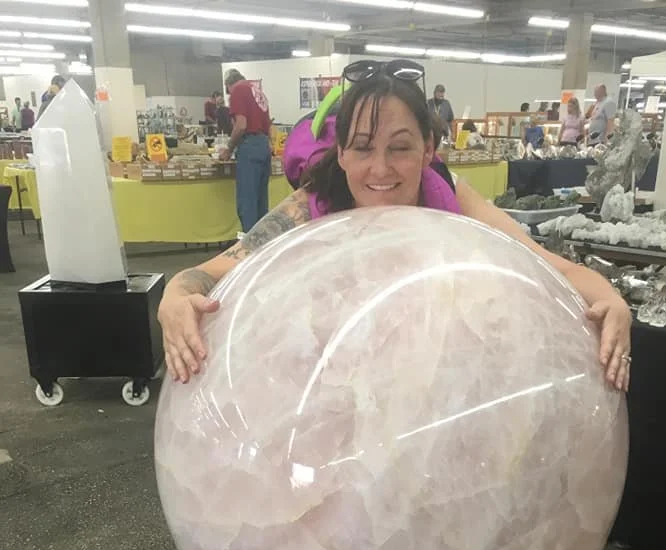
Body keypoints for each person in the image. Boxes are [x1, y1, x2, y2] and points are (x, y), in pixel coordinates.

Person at [158, 62, 631, 393]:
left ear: (428, 150)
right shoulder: (316, 203)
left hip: (437, 387)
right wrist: (175, 297)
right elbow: (212, 273)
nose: (380, 169)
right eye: (363, 147)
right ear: (341, 153)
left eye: (400, 148)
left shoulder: (450, 196)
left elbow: (548, 266)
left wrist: (610, 300)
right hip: (334, 390)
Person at [219, 69, 272, 232]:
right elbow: (268, 126)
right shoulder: (258, 92)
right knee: (261, 201)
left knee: (247, 201)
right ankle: (262, 240)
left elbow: (241, 125)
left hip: (249, 146)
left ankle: (248, 242)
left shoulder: (238, 91)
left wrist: (228, 149)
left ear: (228, 85)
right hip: (264, 145)